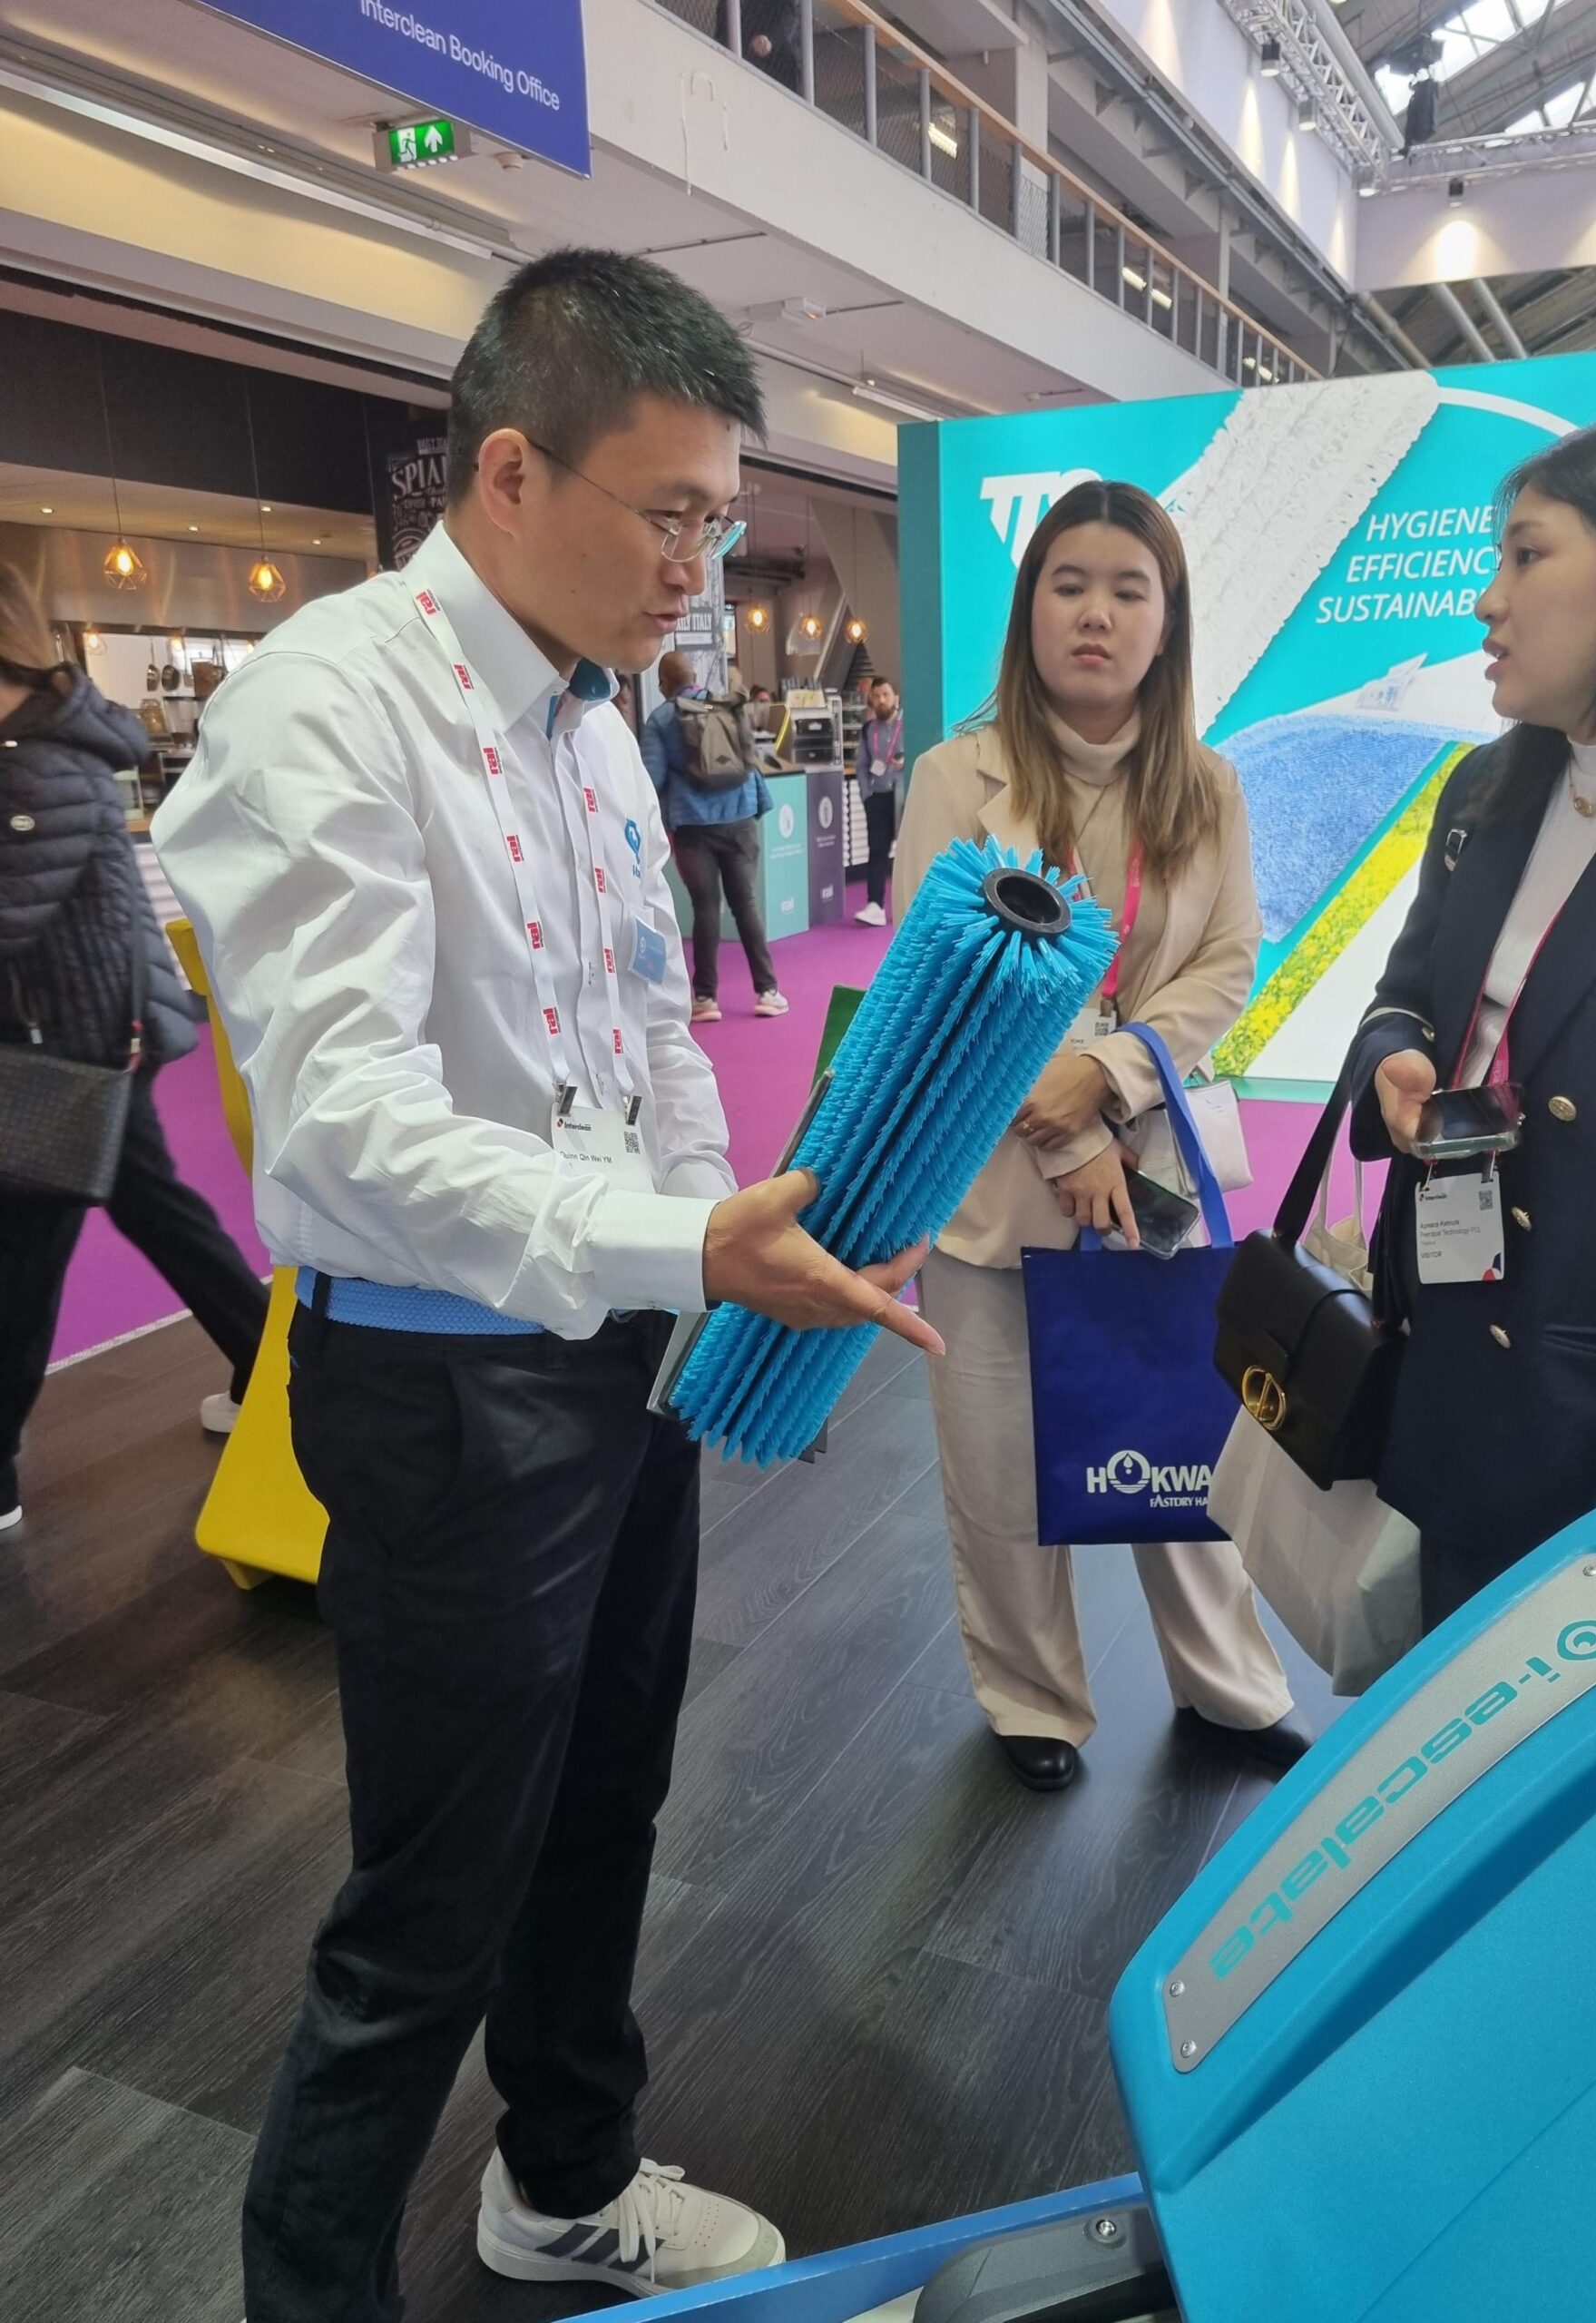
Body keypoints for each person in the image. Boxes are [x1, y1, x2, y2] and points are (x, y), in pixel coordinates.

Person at [152, 248, 941, 2323]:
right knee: (430, 1901)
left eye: (722, 520)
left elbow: (650, 1023)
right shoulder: (327, 700)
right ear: (509, 470)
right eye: (669, 512)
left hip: (617, 1356)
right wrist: (687, 1242)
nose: (701, 566)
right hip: (440, 1396)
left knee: (608, 1799)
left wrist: (712, 1238)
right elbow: (341, 1129)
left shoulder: (600, 715)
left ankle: (565, 2180)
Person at [893, 479, 1304, 1794]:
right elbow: (936, 977)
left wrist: (1113, 1079)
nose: (1097, 614)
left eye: (1131, 590)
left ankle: (1230, 1689)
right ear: (1030, 609)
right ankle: (1032, 1701)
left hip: (1155, 1168)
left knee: (1182, 1439)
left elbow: (1228, 963)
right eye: (1070, 584)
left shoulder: (1210, 785)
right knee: (997, 1459)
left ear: (1166, 621)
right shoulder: (956, 777)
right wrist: (1063, 1138)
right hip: (992, 1171)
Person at [1349, 408, 1596, 1626]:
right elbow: (1403, 994)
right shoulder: (1488, 788)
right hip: (1455, 1372)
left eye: (1527, 556)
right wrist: (1395, 1064)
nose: (1488, 600)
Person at [0, 560, 267, 1534]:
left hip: (75, 1051)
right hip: (85, 1040)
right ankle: (272, 1375)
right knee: (151, 1216)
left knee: (24, 1251)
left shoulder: (36, 764)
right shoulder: (37, 748)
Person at [641, 647, 788, 1022]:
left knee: (705, 908)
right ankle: (768, 992)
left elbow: (651, 779)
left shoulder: (660, 720)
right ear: (695, 677)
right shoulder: (726, 706)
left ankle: (705, 998)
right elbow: (750, 760)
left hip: (693, 825)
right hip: (740, 817)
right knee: (746, 904)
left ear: (664, 684)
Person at [853, 674, 904, 926]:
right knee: (877, 851)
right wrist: (867, 795)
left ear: (896, 698)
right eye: (877, 696)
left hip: (904, 795)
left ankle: (910, 903)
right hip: (878, 796)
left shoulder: (910, 726)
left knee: (908, 850)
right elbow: (862, 765)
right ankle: (875, 905)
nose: (881, 700)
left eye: (886, 695)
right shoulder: (868, 730)